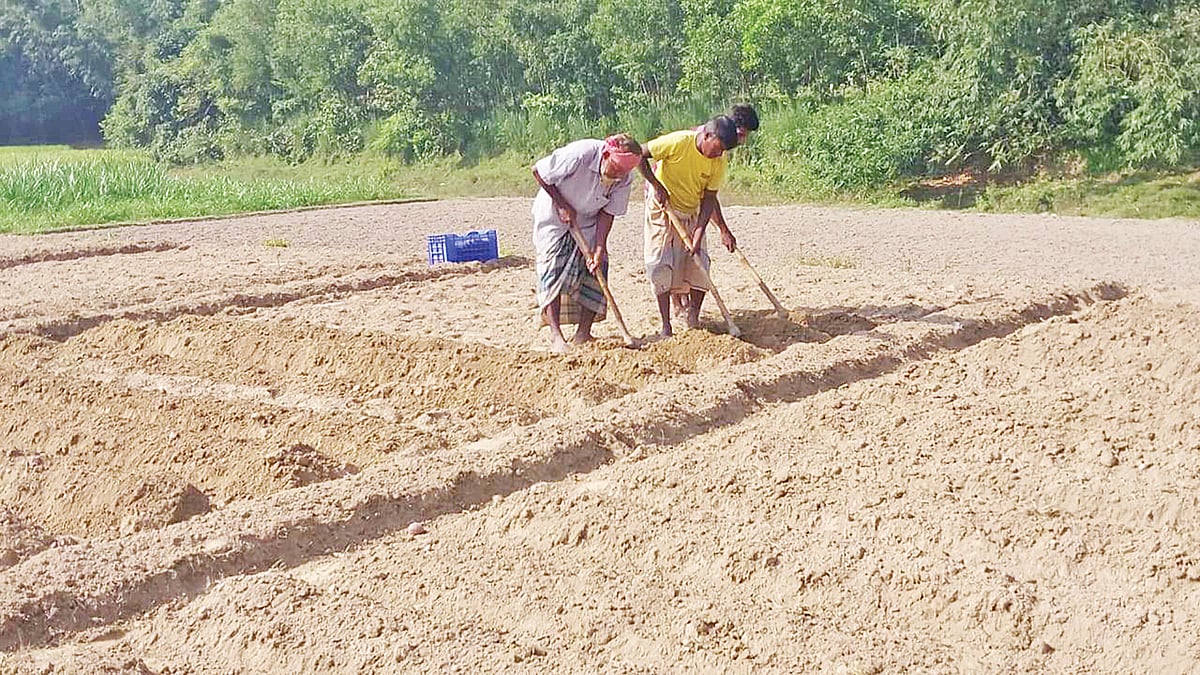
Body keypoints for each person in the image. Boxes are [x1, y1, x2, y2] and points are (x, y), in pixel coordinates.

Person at [532, 133, 643, 353]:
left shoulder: (625, 178)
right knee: (552, 270)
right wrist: (562, 205)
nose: (619, 175)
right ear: (606, 155)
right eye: (616, 169)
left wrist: (599, 247)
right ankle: (557, 337)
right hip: (555, 216)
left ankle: (583, 333)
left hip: (590, 221)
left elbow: (608, 212)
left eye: (624, 172)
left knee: (597, 268)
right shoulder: (581, 154)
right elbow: (539, 171)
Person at [637, 115, 739, 337]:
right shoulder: (679, 141)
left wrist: (699, 232)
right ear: (707, 135)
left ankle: (693, 316)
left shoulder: (718, 162)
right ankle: (666, 325)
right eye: (718, 147)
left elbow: (709, 198)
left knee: (699, 262)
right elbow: (639, 153)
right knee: (660, 263)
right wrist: (656, 185)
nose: (719, 154)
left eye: (724, 151)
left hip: (692, 210)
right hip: (663, 209)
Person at [671, 103, 760, 319]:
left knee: (696, 252)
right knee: (673, 253)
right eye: (741, 134)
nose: (742, 141)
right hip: (670, 199)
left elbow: (708, 196)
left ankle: (691, 310)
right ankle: (677, 304)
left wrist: (723, 229)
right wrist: (723, 229)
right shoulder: (703, 140)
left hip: (693, 199)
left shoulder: (719, 149)